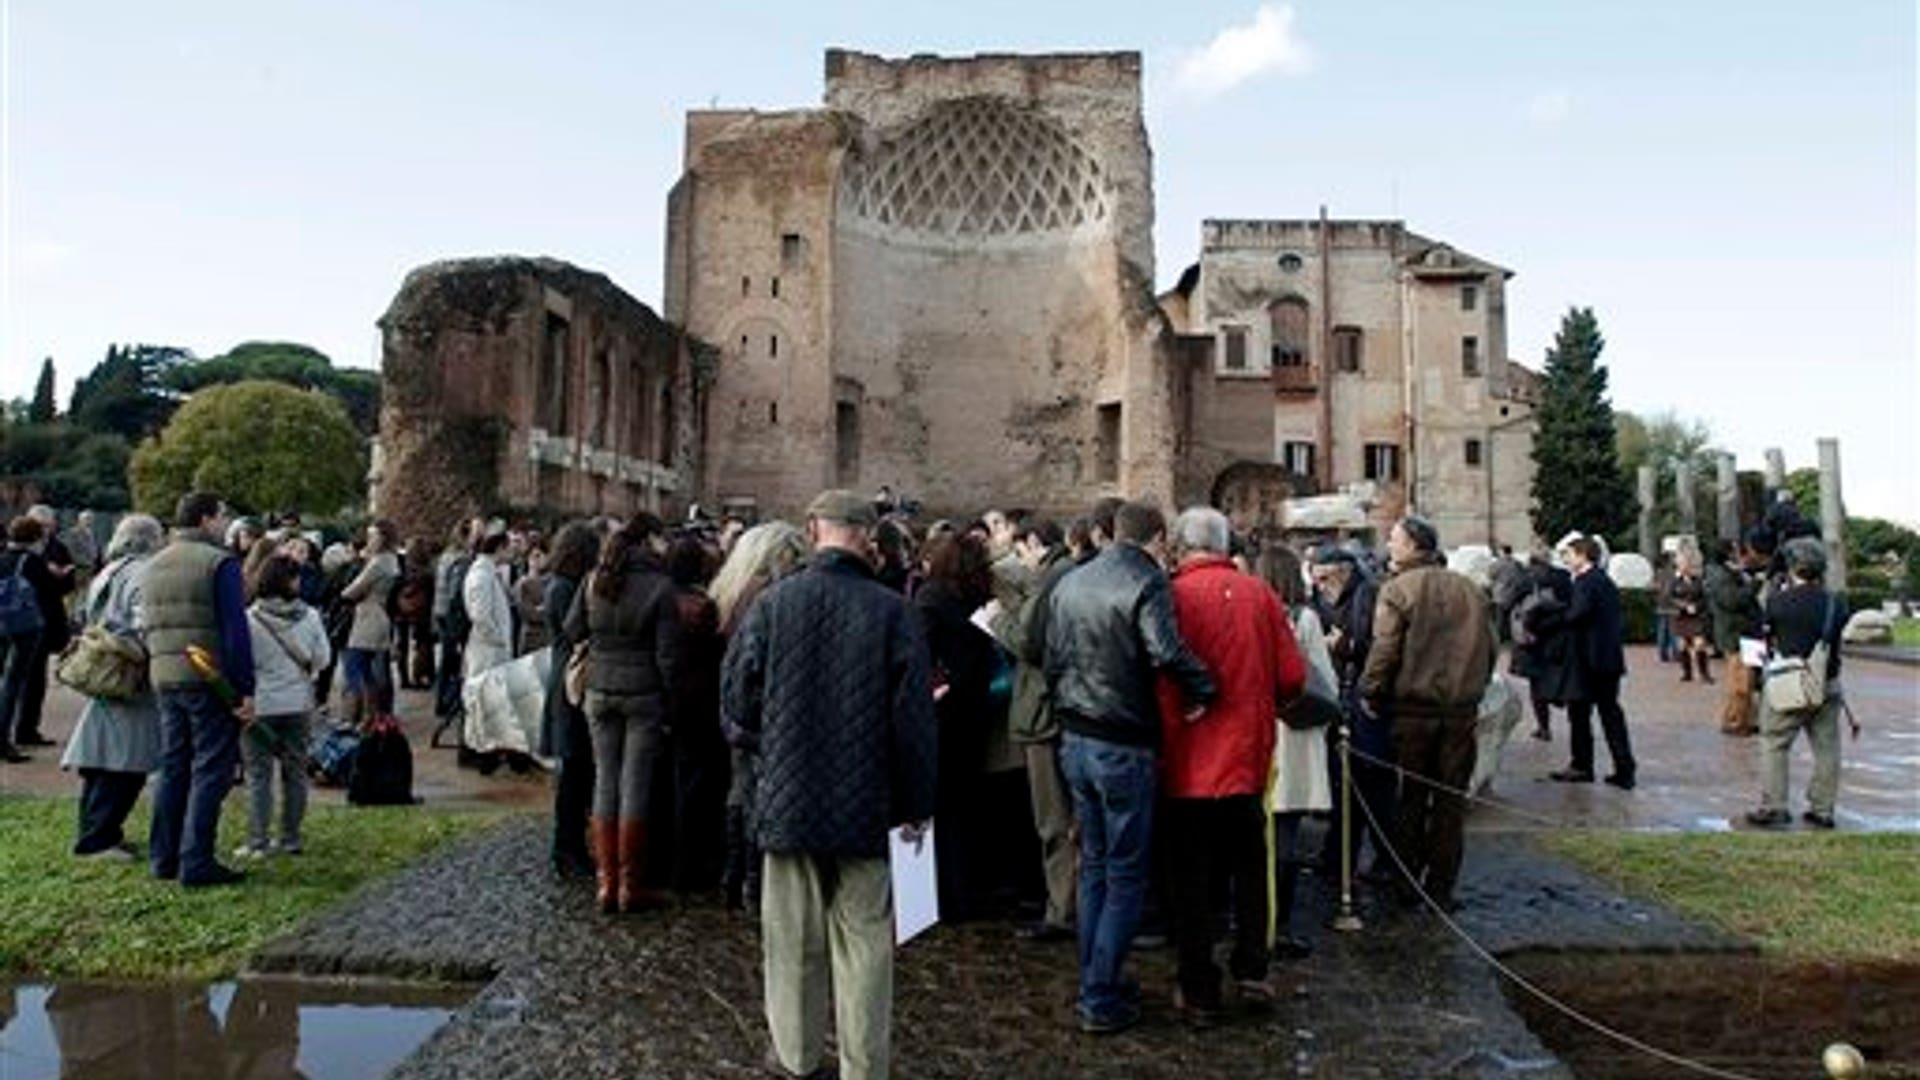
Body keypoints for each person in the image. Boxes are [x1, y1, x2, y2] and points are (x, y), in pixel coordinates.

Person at [720, 490, 937, 1080]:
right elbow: (914, 724)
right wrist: (918, 807)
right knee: (866, 944)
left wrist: (775, 747)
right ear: (867, 538)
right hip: (869, 803)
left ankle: (794, 1058)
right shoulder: (895, 612)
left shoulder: (773, 604)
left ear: (814, 529)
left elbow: (737, 702)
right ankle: (864, 1067)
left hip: (788, 801)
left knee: (789, 942)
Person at [1044, 500, 1215, 1035]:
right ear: (1159, 539)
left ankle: (1098, 979)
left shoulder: (1071, 581)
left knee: (1094, 865)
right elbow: (1164, 649)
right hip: (1123, 740)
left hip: (1076, 735)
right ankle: (1099, 994)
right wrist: (1205, 686)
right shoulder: (1146, 581)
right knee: (1123, 874)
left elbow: (1052, 657)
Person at [1156, 509, 1304, 1021]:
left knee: (1191, 879)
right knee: (1249, 869)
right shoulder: (1260, 596)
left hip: (1186, 759)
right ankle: (1253, 968)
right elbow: (1291, 676)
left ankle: (1198, 987)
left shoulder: (1170, 597)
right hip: (1245, 758)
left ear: (1180, 546)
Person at [1361, 516, 1495, 912]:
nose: (1389, 544)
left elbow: (1385, 648)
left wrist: (1371, 690)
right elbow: (1489, 648)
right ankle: (1441, 888)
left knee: (1411, 799)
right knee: (1450, 803)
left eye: (1395, 538)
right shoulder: (1470, 590)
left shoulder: (1398, 589)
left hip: (1413, 710)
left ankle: (1406, 885)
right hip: (1459, 710)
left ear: (1414, 545)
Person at [563, 513, 681, 914]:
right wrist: (670, 699)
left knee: (604, 781)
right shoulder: (661, 588)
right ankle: (630, 884)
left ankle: (605, 883)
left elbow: (573, 628)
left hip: (599, 689)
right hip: (643, 693)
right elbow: (668, 657)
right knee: (635, 785)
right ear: (649, 543)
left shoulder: (595, 579)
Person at [140, 491, 256, 887]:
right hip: (207, 676)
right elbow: (235, 631)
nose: (225, 524)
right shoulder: (218, 562)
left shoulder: (154, 563)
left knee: (174, 766)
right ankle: (197, 860)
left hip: (165, 673)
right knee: (211, 768)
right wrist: (243, 690)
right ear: (207, 519)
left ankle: (164, 857)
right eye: (222, 516)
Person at [709, 521, 810, 914]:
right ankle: (754, 882)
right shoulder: (770, 597)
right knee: (759, 797)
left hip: (735, 708)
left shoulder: (731, 590)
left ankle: (734, 877)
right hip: (763, 708)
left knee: (741, 791)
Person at [59, 514, 166, 856]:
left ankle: (97, 832)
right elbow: (143, 622)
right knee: (126, 761)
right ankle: (98, 838)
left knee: (100, 758)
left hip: (99, 666)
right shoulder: (145, 572)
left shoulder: (109, 569)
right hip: (127, 671)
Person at [913, 530, 1002, 922]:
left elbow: (917, 654)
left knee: (925, 806)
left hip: (938, 716)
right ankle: (960, 896)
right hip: (974, 713)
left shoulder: (931, 598)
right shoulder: (984, 601)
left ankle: (921, 900)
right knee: (962, 808)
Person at [1001, 518, 1080, 944]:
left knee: (1053, 818)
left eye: (1021, 550)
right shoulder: (1074, 574)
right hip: (1067, 711)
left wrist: (996, 619)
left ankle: (1062, 910)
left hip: (1044, 712)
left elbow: (1028, 643)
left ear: (1034, 544)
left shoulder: (1051, 579)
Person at [1255, 541, 1332, 958]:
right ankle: (1279, 924)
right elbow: (1325, 684)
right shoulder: (1305, 619)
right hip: (1296, 736)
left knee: (1261, 836)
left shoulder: (1251, 614)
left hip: (1260, 734)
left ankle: (1258, 918)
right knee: (1286, 838)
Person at [1746, 538, 1854, 829]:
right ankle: (1822, 809)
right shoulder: (1836, 603)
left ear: (1792, 566)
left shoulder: (1778, 601)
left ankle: (1775, 806)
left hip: (1786, 684)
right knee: (1827, 749)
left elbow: (1762, 638)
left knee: (1774, 743)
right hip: (1826, 682)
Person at [237, 554, 331, 859]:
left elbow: (242, 664)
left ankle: (257, 841)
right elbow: (323, 659)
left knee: (258, 774)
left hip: (261, 704)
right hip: (298, 703)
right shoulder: (311, 616)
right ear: (290, 582)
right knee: (295, 772)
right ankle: (290, 837)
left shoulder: (249, 619)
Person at [1310, 547, 1392, 880]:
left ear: (1344, 572)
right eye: (1316, 579)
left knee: (1373, 785)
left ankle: (1388, 860)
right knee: (1343, 784)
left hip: (1366, 702)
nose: (1320, 586)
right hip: (1338, 699)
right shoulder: (1322, 597)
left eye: (1325, 578)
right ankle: (1337, 857)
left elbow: (1381, 648)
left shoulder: (1368, 594)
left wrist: (1346, 647)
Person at [664, 534, 727, 895]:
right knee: (696, 786)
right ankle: (691, 865)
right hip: (698, 702)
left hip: (670, 699)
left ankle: (673, 863)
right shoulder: (700, 606)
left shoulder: (661, 597)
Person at [1548, 536, 1637, 790]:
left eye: (1569, 554)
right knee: (1610, 714)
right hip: (1607, 659)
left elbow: (1577, 614)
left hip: (1589, 661)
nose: (1566, 559)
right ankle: (1623, 767)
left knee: (1581, 714)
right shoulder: (1603, 581)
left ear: (1582, 555)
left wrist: (1555, 617)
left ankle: (1582, 765)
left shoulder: (1587, 582)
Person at [540, 522, 601, 878]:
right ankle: (566, 849)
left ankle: (571, 846)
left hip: (565, 678)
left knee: (576, 770)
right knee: (574, 772)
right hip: (570, 682)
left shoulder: (560, 584)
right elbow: (574, 630)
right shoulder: (565, 588)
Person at [13, 505, 75, 748]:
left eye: (48, 526)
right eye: (39, 527)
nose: (44, 531)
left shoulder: (59, 548)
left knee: (35, 679)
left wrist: (59, 578)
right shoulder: (21, 554)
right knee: (22, 678)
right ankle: (21, 729)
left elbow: (68, 583)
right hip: (25, 619)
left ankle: (28, 727)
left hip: (46, 618)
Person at [0, 517, 56, 763]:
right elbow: (49, 593)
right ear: (34, 538)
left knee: (7, 681)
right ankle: (5, 738)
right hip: (25, 627)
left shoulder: (3, 559)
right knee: (15, 683)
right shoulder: (33, 562)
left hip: (2, 623)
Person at [338, 520, 401, 725]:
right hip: (379, 616)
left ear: (383, 538)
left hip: (368, 618)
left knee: (355, 668)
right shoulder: (391, 559)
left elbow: (351, 590)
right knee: (368, 672)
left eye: (373, 536)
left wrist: (359, 562)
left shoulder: (378, 562)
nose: (369, 540)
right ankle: (372, 716)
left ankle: (360, 716)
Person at [1706, 540, 1765, 736]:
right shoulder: (1719, 575)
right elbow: (1732, 601)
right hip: (1738, 634)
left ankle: (1747, 717)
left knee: (1752, 679)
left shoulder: (1729, 572)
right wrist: (1755, 585)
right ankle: (1735, 721)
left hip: (1748, 632)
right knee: (1741, 681)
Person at [1669, 551, 1712, 684]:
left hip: (1696, 617)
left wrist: (1696, 607)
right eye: (1682, 564)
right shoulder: (1674, 581)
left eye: (1687, 564)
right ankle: (1686, 673)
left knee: (1700, 644)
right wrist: (1683, 606)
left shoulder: (1698, 581)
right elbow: (1669, 598)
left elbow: (1705, 598)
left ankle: (1704, 674)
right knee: (1683, 646)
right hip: (1680, 617)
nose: (1685, 566)